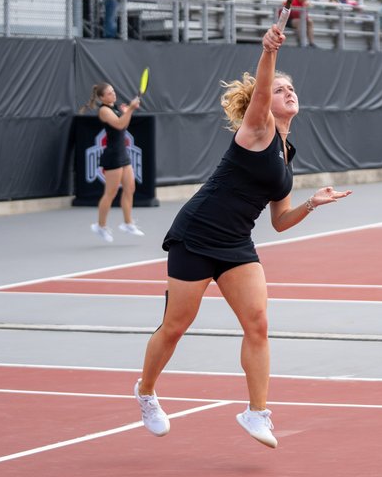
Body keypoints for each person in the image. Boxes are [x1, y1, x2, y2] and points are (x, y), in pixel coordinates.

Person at [133, 24, 352, 449]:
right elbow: (264, 83)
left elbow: (279, 220)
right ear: (261, 105)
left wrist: (311, 204)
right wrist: (268, 52)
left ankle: (256, 412)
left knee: (258, 324)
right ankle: (145, 391)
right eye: (279, 89)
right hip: (196, 234)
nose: (288, 92)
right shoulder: (257, 130)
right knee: (176, 326)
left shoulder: (286, 155)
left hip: (236, 244)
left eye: (292, 88)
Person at [80, 82, 145, 242]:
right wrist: (129, 109)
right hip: (112, 156)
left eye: (113, 91)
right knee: (111, 192)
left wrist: (126, 111)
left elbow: (124, 125)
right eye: (109, 93)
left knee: (130, 188)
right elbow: (119, 124)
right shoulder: (104, 110)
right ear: (102, 97)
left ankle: (128, 223)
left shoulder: (115, 107)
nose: (113, 94)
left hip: (123, 154)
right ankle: (100, 226)